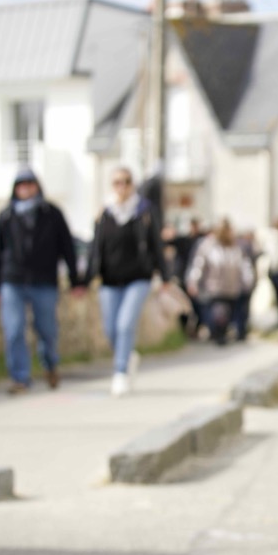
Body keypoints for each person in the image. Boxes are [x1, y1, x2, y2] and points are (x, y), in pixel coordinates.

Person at [0, 166, 86, 394]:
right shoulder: (6, 216)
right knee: (13, 330)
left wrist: (75, 281)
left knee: (47, 330)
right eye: (21, 185)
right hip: (12, 280)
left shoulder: (52, 213)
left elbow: (67, 248)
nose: (25, 188)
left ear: (37, 186)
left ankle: (50, 365)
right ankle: (19, 377)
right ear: (15, 189)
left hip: (44, 280)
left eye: (29, 184)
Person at [87, 166, 169, 397]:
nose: (121, 187)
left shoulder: (144, 210)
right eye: (117, 182)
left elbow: (156, 244)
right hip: (109, 280)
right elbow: (95, 247)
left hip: (138, 278)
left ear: (132, 184)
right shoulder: (105, 212)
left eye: (126, 181)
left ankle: (120, 372)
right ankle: (127, 355)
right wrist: (87, 277)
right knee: (110, 328)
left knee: (125, 324)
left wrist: (164, 275)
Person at [185, 218, 253, 345]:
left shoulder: (237, 247)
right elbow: (198, 265)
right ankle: (219, 334)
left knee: (229, 315)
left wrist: (247, 280)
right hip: (214, 288)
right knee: (219, 314)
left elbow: (244, 266)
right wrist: (193, 281)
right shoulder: (208, 246)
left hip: (232, 289)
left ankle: (223, 332)